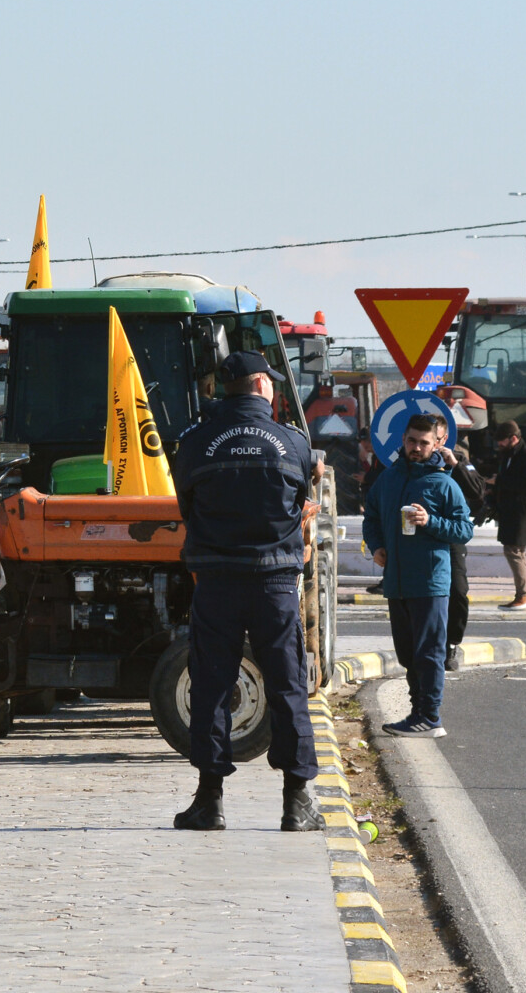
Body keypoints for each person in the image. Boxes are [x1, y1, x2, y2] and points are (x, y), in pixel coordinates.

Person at [169, 351, 321, 833]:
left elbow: (186, 506)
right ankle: (297, 803)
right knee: (287, 685)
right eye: (272, 382)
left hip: (216, 580)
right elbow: (301, 505)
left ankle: (208, 802)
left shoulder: (194, 442)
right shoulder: (293, 441)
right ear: (260, 385)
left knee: (212, 687)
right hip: (275, 581)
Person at [365, 414, 473, 738]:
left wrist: (431, 521)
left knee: (429, 652)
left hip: (429, 583)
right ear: (403, 439)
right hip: (397, 583)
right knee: (408, 652)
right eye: (411, 441)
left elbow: (465, 529)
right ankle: (417, 714)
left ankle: (430, 716)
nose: (416, 448)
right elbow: (371, 516)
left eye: (424, 443)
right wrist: (377, 546)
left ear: (437, 444)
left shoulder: (444, 484)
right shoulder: (388, 479)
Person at [444, 441, 488, 655]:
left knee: (458, 591)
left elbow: (478, 490)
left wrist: (455, 465)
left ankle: (451, 641)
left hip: (452, 535)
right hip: (420, 533)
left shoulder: (459, 460)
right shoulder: (413, 459)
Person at [488, 421, 526, 610]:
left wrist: (499, 481)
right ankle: (524, 593)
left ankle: (524, 595)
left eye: (502, 441)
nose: (499, 445)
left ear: (513, 439)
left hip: (521, 513)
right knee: (517, 552)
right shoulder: (509, 456)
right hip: (511, 512)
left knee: (513, 551)